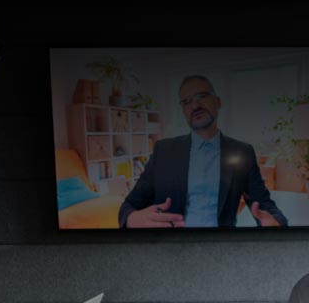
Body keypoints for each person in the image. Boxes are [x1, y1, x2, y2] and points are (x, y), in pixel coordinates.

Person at [119, 75, 287, 228]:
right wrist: (133, 219)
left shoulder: (243, 151)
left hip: (221, 245)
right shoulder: (164, 151)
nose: (195, 105)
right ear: (183, 110)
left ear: (218, 102)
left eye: (202, 96)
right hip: (172, 245)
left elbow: (263, 203)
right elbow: (129, 206)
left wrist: (275, 222)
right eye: (187, 101)